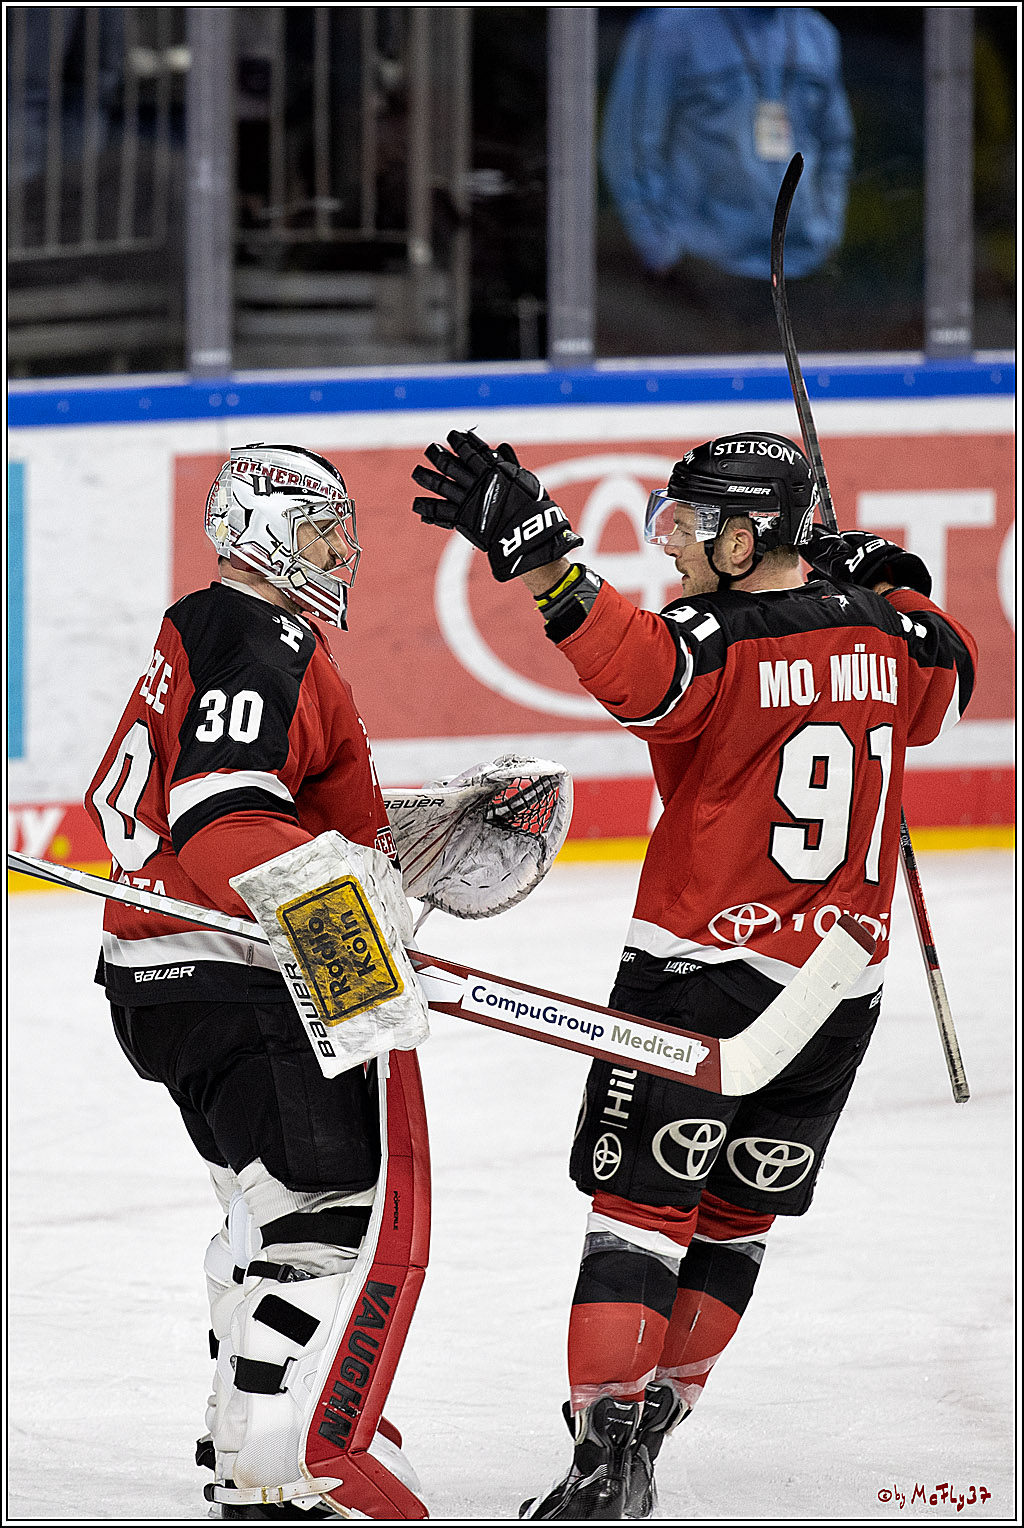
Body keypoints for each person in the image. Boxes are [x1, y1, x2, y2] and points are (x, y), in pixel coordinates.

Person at [410, 427, 977, 1520]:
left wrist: (540, 556)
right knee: (732, 1220)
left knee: (639, 1209)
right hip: (838, 990)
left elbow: (642, 673)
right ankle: (656, 1423)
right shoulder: (894, 634)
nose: (666, 530)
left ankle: (603, 1455)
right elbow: (945, 674)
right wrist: (895, 578)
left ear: (747, 531)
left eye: (691, 516)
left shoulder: (716, 635)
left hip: (702, 980)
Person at [84, 443, 427, 1520]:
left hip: (159, 972)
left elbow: (263, 799)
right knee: (324, 1209)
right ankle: (267, 1457)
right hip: (236, 972)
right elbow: (225, 815)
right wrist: (357, 946)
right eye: (321, 525)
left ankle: (236, 1418)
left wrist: (399, 837)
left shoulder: (218, 626)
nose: (340, 546)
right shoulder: (256, 629)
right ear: (261, 524)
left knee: (262, 1204)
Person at [601, 7, 853, 281]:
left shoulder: (818, 34)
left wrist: (827, 233)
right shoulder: (669, 27)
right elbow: (630, 148)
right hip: (703, 271)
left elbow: (836, 145)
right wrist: (660, 248)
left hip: (800, 264)